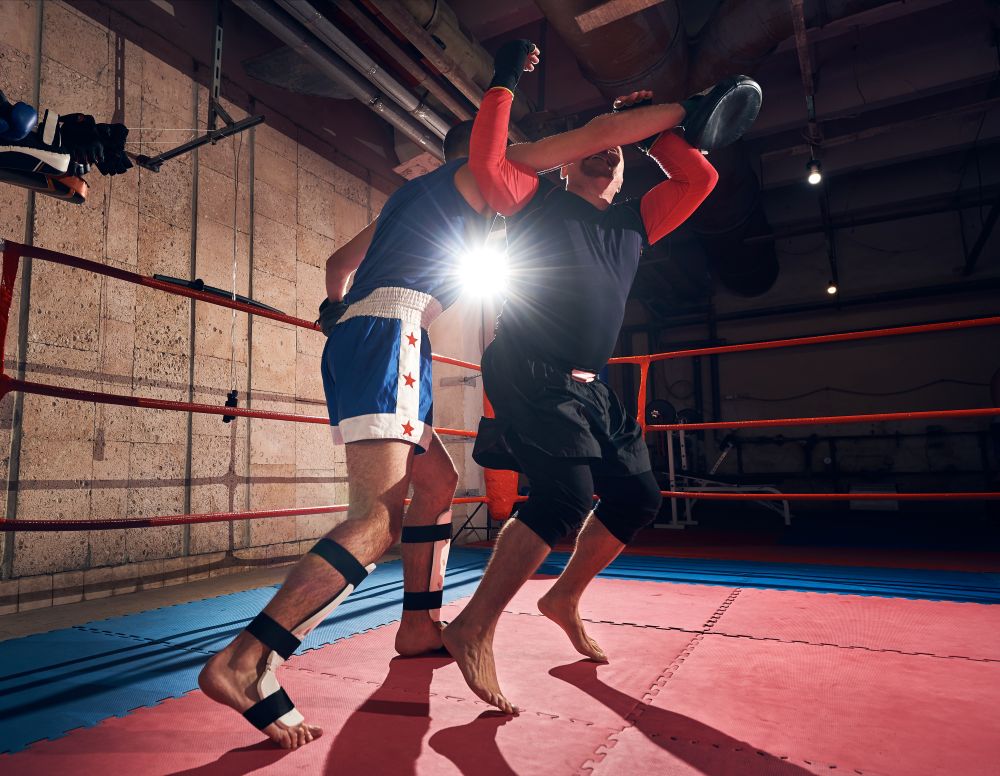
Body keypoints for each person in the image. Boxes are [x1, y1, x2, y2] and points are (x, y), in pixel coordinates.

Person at [198, 40, 720, 749]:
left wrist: (337, 311)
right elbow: (565, 142)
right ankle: (246, 659)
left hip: (377, 329)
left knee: (438, 481)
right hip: (395, 328)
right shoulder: (484, 179)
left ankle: (418, 624)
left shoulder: (416, 199)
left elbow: (338, 262)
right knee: (375, 520)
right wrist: (689, 111)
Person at [441, 66, 761, 714]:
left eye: (618, 152)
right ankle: (472, 626)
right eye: (596, 144)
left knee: (639, 496)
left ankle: (563, 596)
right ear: (567, 162)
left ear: (624, 172)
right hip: (529, 365)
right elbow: (487, 161)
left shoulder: (635, 223)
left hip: (592, 385)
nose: (607, 154)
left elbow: (700, 180)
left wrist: (653, 136)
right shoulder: (536, 199)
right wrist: (505, 82)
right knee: (564, 496)